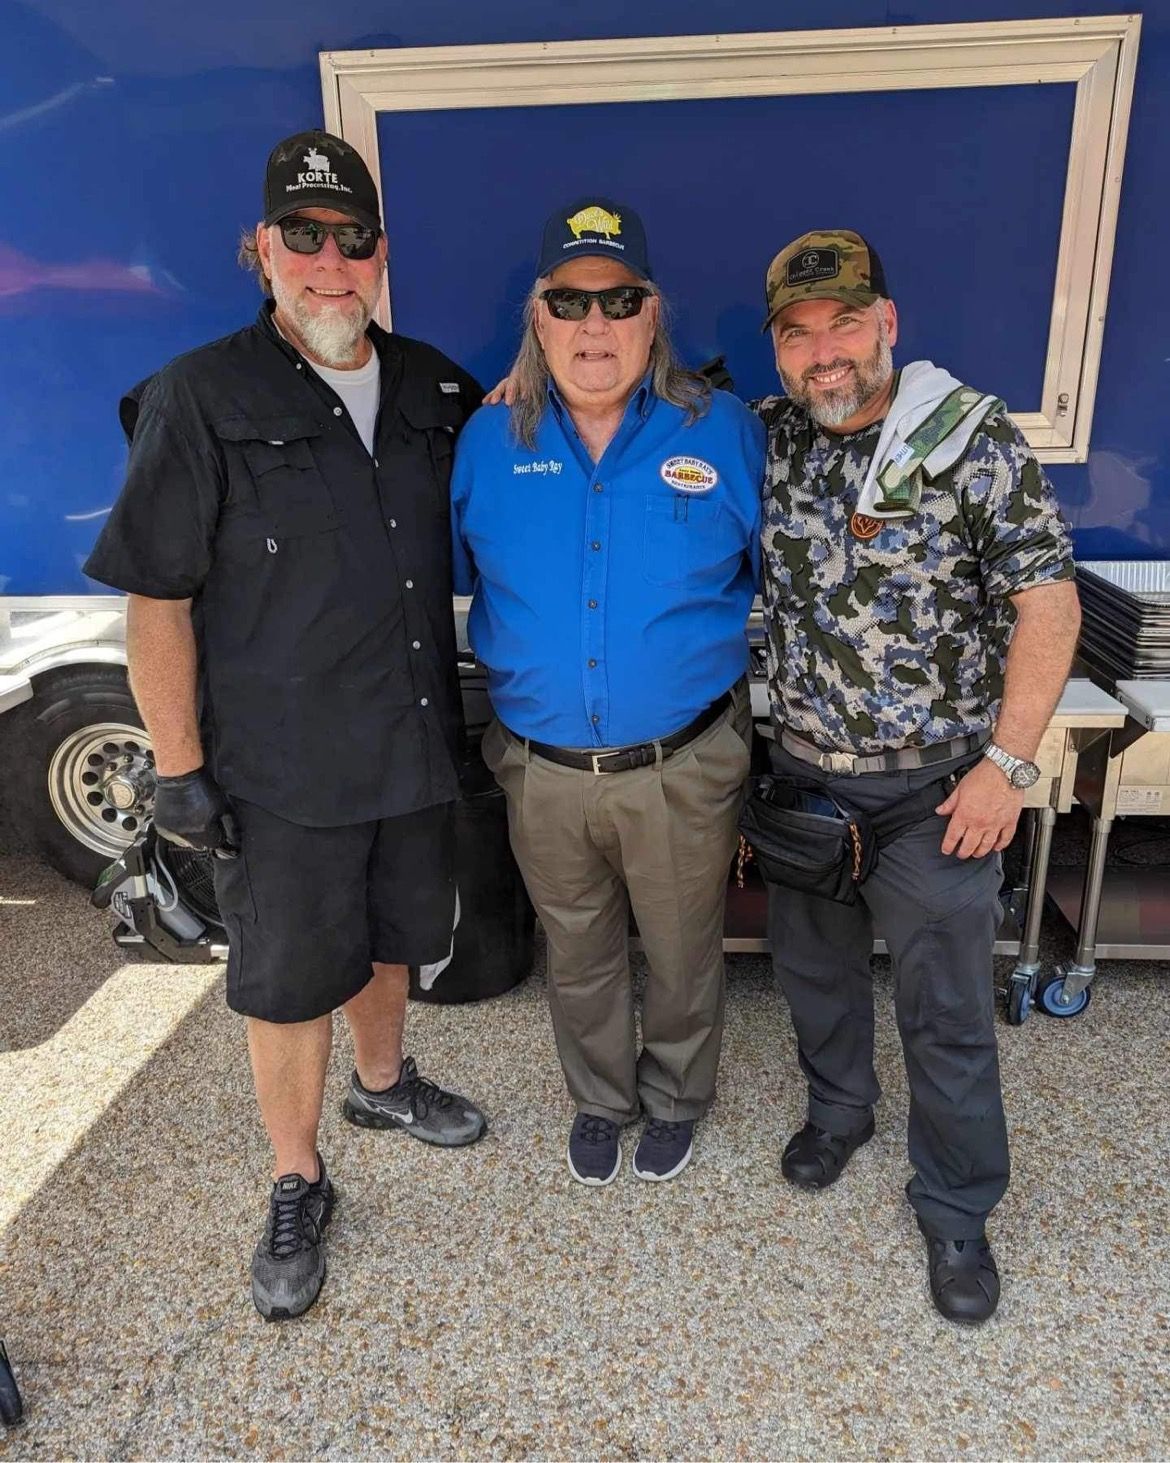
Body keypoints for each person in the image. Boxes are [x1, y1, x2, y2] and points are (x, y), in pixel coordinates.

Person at [84, 130, 487, 1321]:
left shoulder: (435, 388)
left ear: (379, 253)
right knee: (288, 979)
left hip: (412, 743)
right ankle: (298, 1174)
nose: (328, 262)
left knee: (394, 939)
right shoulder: (198, 397)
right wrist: (178, 766)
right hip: (280, 768)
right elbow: (157, 598)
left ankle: (384, 1081)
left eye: (350, 238)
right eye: (302, 236)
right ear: (261, 249)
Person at [754, 229, 1080, 1323]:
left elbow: (1049, 604)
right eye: (798, 333)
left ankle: (955, 1205)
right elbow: (632, 408)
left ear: (887, 322)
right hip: (806, 779)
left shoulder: (970, 438)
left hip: (938, 792)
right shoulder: (768, 438)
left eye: (845, 323)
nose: (824, 352)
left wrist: (1008, 765)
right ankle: (840, 1111)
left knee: (946, 1010)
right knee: (815, 975)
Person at [452, 197, 764, 1186]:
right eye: (570, 301)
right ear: (538, 317)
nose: (596, 324)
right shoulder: (484, 442)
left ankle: (675, 1096)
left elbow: (786, 573)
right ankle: (600, 1097)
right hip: (542, 772)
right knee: (576, 948)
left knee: (682, 949)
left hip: (681, 766)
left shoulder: (725, 432)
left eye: (619, 300)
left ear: (652, 313)